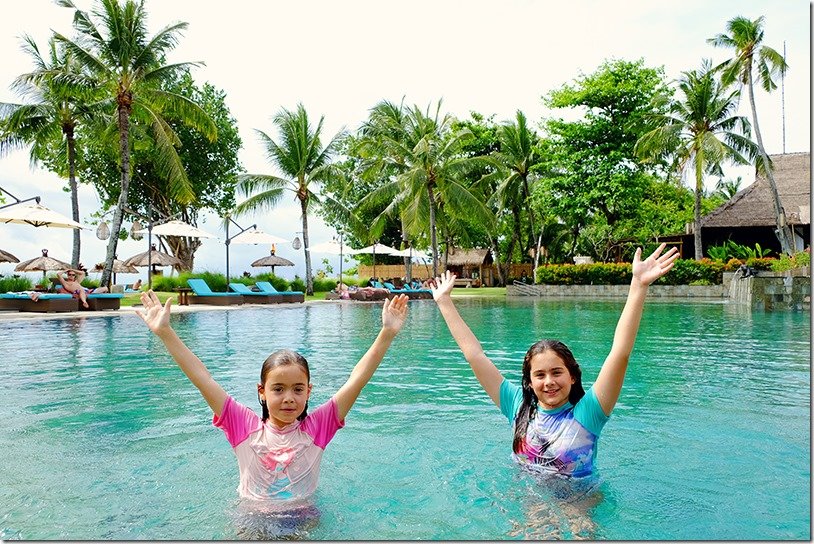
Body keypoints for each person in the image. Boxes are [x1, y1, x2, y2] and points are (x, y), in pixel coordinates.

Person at [136, 290, 410, 513]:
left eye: (298, 389)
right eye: (278, 389)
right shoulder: (242, 424)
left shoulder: (318, 427)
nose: (289, 398)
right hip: (252, 518)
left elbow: (356, 380)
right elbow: (202, 378)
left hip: (302, 518)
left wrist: (386, 334)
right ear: (262, 392)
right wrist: (166, 333)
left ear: (308, 392)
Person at [430, 243, 678, 479]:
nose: (549, 382)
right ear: (529, 381)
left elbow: (619, 353)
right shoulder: (517, 406)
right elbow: (475, 356)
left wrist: (638, 285)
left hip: (578, 499)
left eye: (556, 372)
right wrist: (444, 302)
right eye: (539, 375)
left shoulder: (589, 412)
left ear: (572, 376)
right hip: (529, 500)